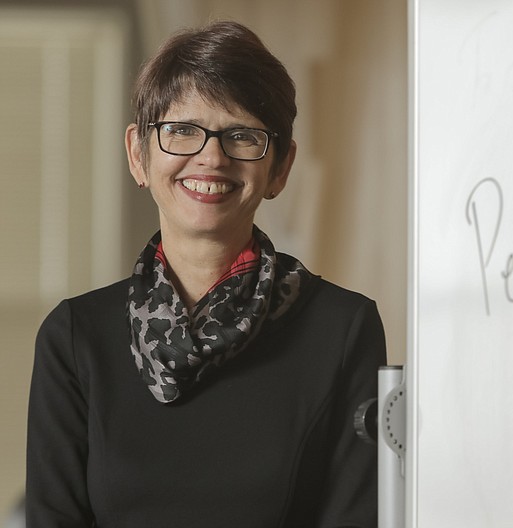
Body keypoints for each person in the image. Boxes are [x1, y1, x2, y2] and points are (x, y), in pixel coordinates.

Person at [26, 20, 386, 527]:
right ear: (138, 154)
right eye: (181, 131)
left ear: (280, 168)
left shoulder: (344, 328)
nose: (211, 157)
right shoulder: (73, 338)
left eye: (242, 135)